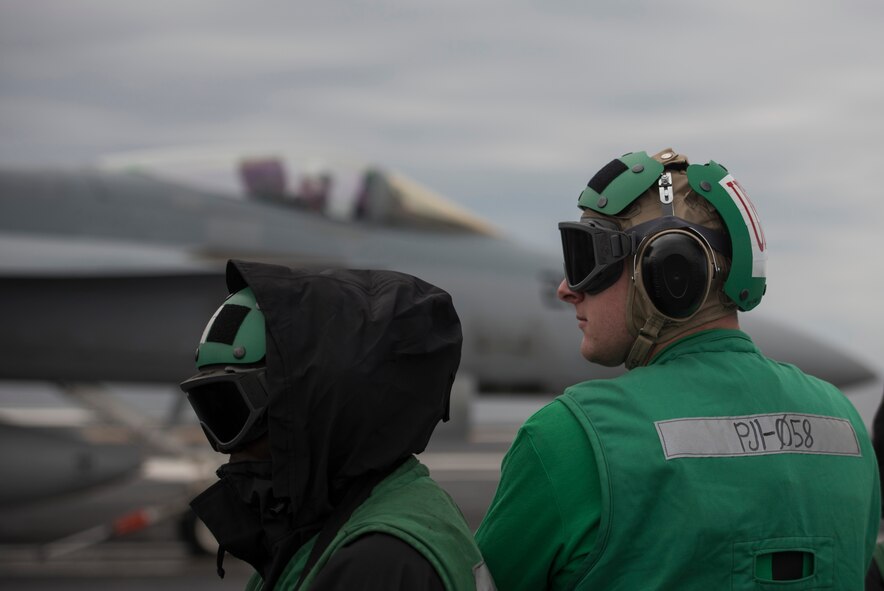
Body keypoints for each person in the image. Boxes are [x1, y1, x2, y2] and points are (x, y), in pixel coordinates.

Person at [475, 148, 880, 589]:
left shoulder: (569, 440)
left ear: (668, 270)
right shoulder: (846, 427)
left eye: (586, 258)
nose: (566, 289)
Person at [180, 259, 494, 590]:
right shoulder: (328, 533)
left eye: (233, 411)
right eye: (210, 410)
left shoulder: (376, 564)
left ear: (313, 408)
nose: (225, 446)